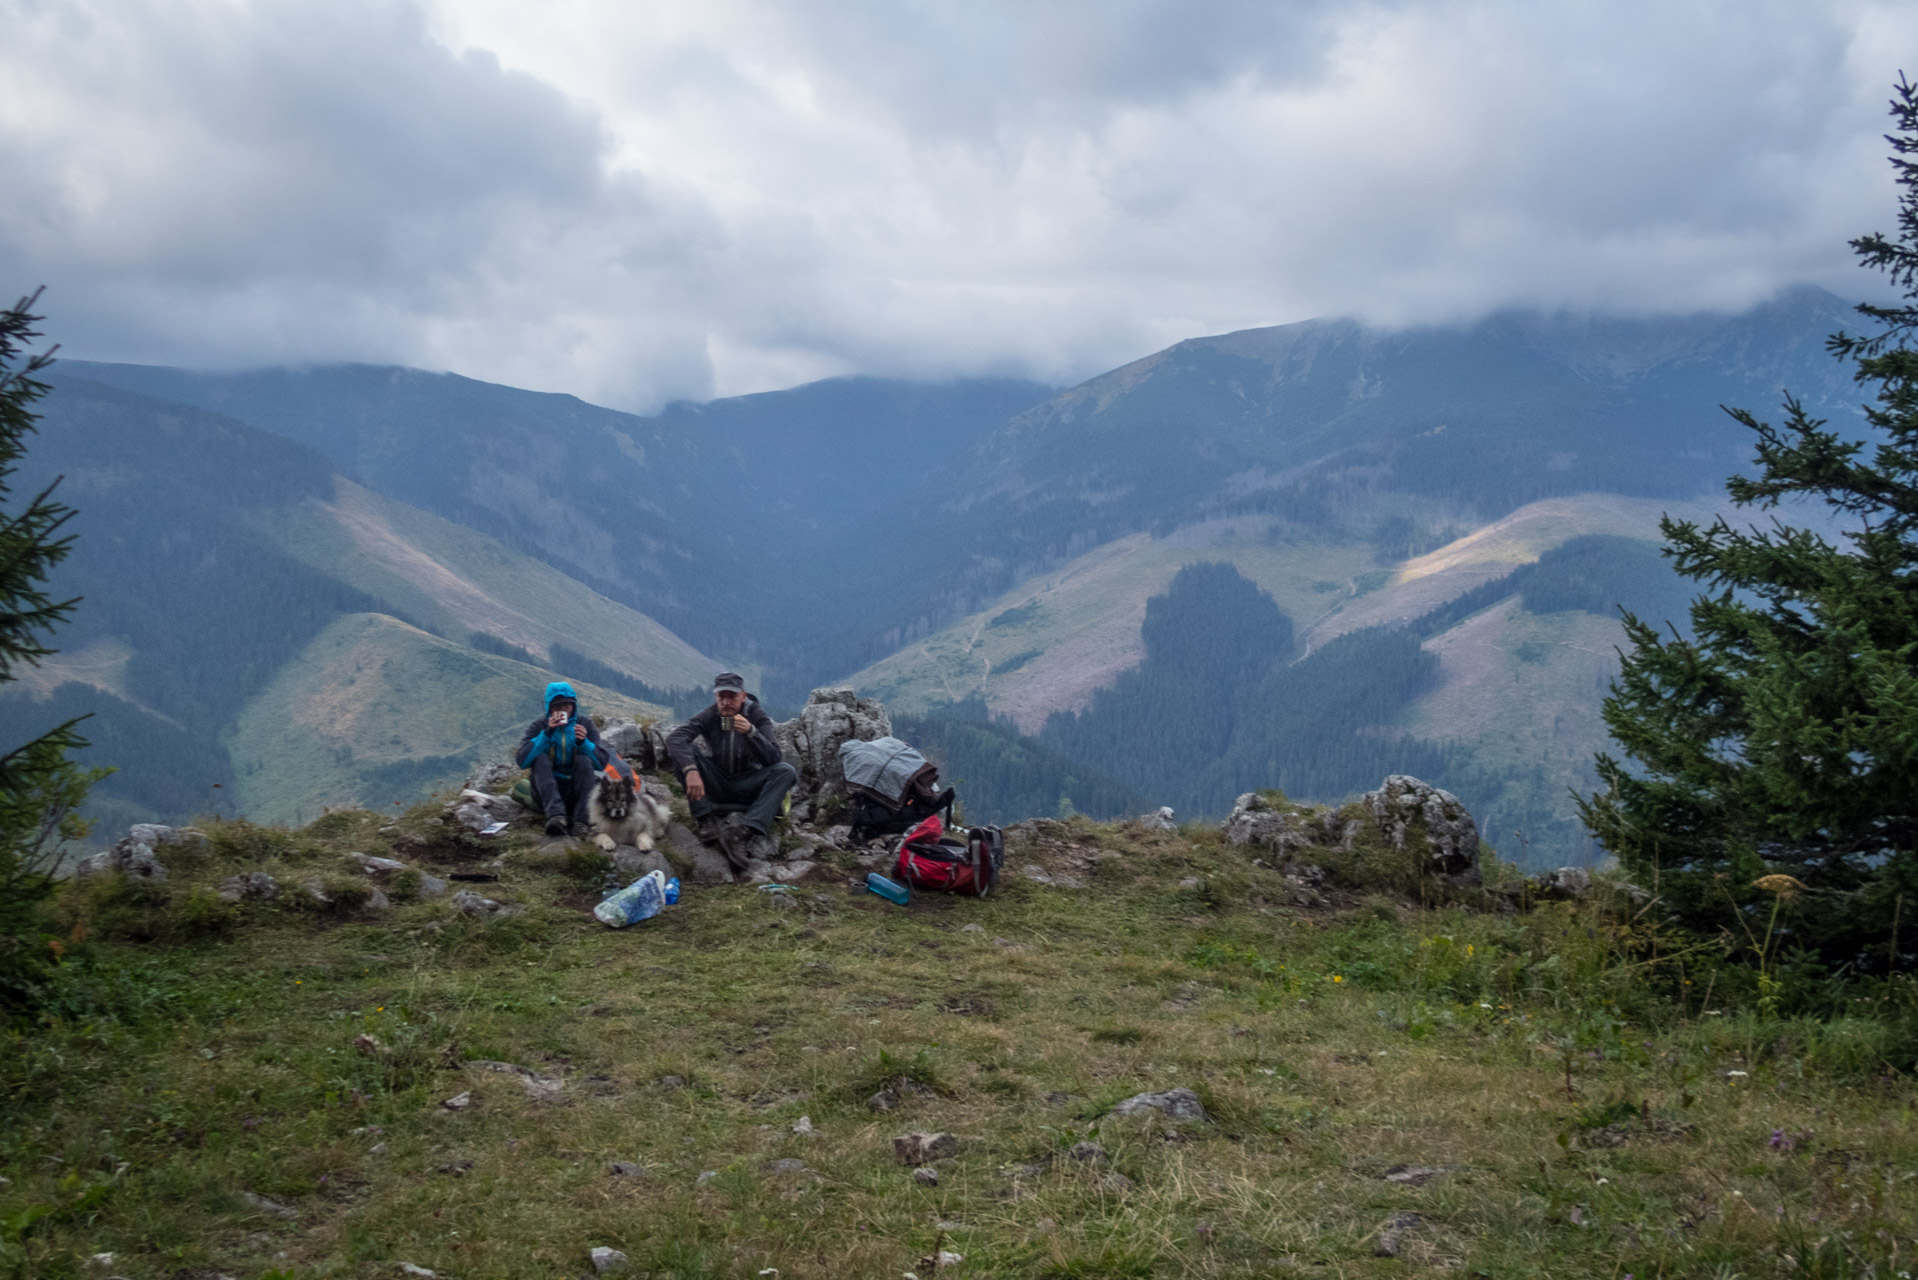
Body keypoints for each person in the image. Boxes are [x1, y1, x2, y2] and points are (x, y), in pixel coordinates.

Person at [666, 672, 796, 867]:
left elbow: (774, 758)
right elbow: (675, 739)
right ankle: (706, 820)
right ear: (715, 697)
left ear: (743, 696)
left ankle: (742, 834)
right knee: (684, 755)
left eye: (732, 697)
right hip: (717, 781)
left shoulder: (756, 715)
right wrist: (691, 770)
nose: (726, 702)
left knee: (786, 771)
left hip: (747, 784)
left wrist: (751, 733)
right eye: (721, 697)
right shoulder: (710, 715)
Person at [516, 680, 618, 838]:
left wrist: (584, 743)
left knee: (583, 760)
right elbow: (522, 761)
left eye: (567, 706)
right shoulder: (539, 727)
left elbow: (601, 763)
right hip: (547, 794)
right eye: (557, 706)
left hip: (577, 792)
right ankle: (557, 818)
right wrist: (547, 734)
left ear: (573, 706)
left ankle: (582, 822)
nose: (563, 710)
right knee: (540, 759)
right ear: (549, 707)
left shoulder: (585, 724)